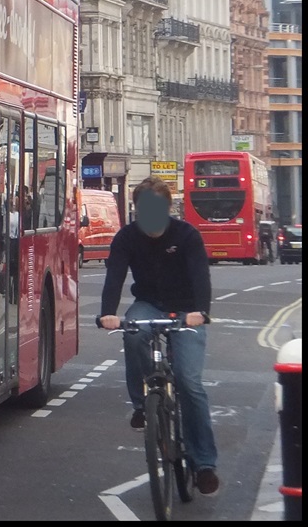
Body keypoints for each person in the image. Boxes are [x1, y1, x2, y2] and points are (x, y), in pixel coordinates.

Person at [96, 176, 219, 496]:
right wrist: (107, 313)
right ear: (136, 209)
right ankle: (142, 405)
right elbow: (114, 276)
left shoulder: (187, 235)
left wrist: (201, 312)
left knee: (189, 382)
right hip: (148, 304)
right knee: (134, 333)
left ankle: (204, 464)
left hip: (186, 309)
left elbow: (201, 276)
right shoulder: (126, 238)